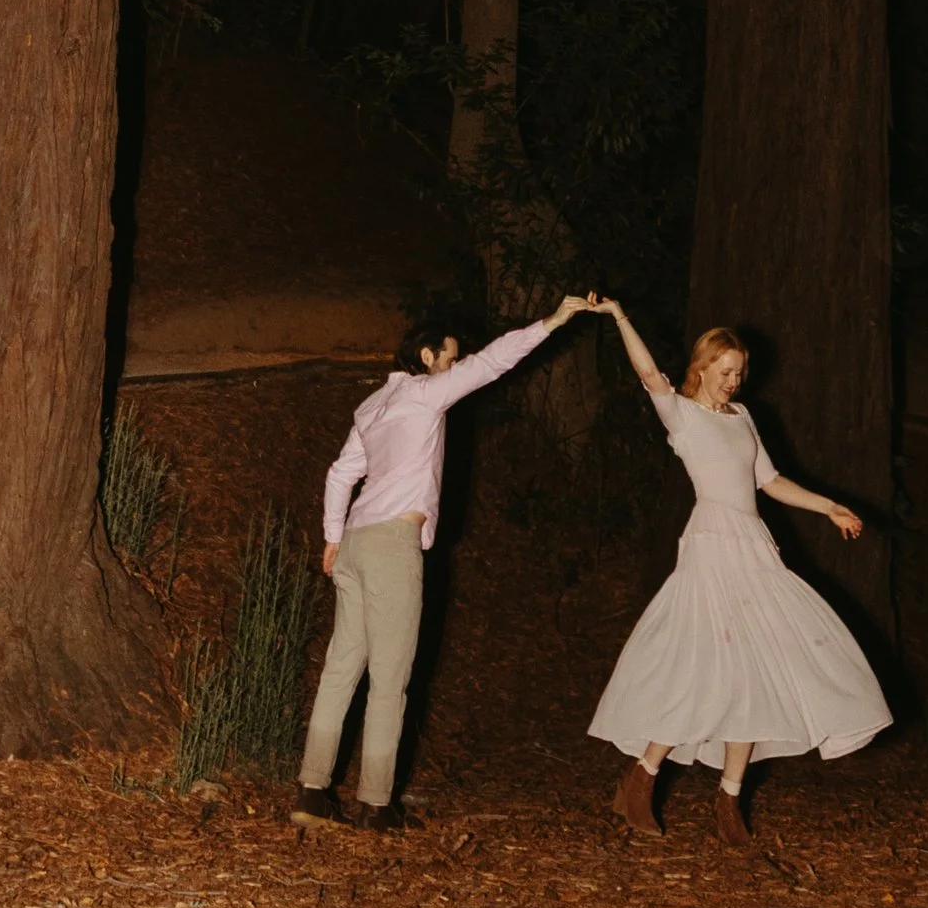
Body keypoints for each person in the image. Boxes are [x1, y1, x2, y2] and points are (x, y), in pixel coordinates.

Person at [583, 294, 890, 847]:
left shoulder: (743, 417)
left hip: (753, 547)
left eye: (739, 373)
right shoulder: (681, 413)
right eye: (724, 371)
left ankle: (729, 800)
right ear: (701, 368)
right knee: (702, 666)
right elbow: (648, 373)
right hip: (711, 545)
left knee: (753, 670)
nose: (733, 381)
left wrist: (829, 507)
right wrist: (620, 317)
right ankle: (642, 777)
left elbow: (770, 482)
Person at [295, 289, 589, 831]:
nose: (456, 364)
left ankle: (312, 792)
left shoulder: (373, 405)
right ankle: (376, 803)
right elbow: (494, 361)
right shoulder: (427, 394)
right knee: (390, 678)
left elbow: (341, 473)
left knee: (341, 669)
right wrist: (553, 320)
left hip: (356, 540)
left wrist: (333, 537)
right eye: (451, 357)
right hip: (390, 545)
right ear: (429, 357)